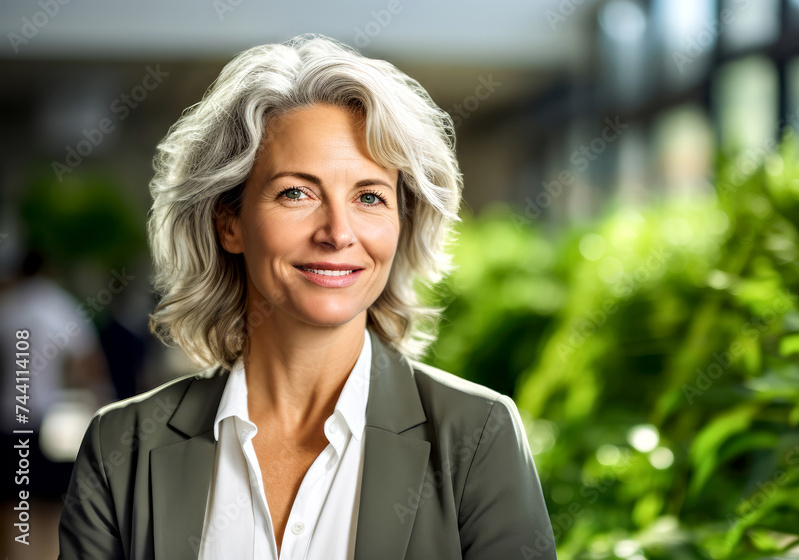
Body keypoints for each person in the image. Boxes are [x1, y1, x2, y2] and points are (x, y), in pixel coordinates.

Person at [57, 33, 556, 560]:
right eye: (297, 192)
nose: (338, 232)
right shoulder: (122, 446)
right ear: (229, 223)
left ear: (401, 223)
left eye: (369, 196)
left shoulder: (477, 436)